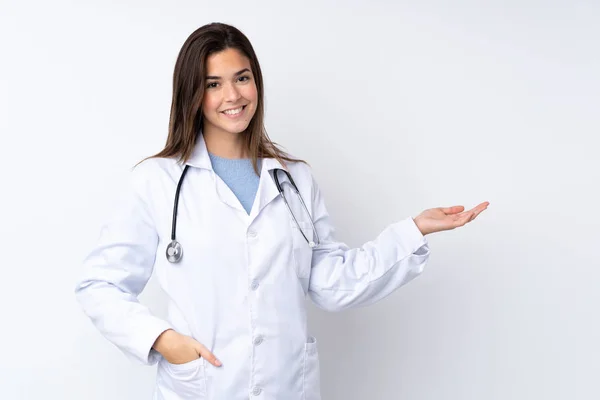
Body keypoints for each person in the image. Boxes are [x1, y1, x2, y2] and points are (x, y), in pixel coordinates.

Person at [74, 22, 489, 400]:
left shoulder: (294, 179)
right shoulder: (158, 181)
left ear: (256, 81)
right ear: (193, 94)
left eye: (242, 78)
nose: (233, 95)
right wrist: (164, 340)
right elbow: (99, 284)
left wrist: (413, 231)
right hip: (203, 386)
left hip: (286, 386)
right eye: (213, 84)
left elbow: (329, 281)